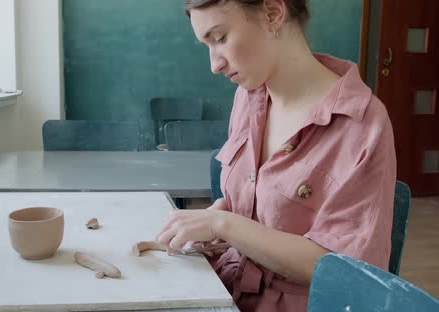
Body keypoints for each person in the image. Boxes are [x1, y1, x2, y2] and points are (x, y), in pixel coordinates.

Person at [155, 0, 397, 311]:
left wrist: (223, 224)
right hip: (225, 290)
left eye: (220, 38)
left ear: (273, 13)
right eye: (207, 45)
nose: (214, 64)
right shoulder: (249, 95)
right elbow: (259, 200)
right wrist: (218, 215)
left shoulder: (363, 125)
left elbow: (341, 267)